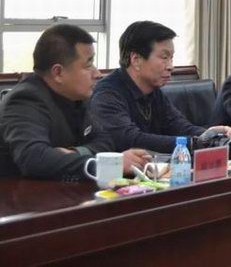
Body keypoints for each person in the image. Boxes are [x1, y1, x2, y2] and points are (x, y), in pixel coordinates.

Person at [0, 24, 148, 179]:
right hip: (21, 193)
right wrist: (108, 165)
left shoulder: (76, 96)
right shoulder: (25, 100)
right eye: (88, 64)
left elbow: (105, 141)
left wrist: (75, 152)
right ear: (58, 73)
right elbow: (34, 159)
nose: (97, 73)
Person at [90, 21, 231, 153]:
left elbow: (178, 125)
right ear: (136, 60)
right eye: (164, 57)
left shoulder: (153, 91)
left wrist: (211, 135)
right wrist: (194, 143)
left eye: (171, 58)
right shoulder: (107, 94)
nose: (171, 66)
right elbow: (130, 139)